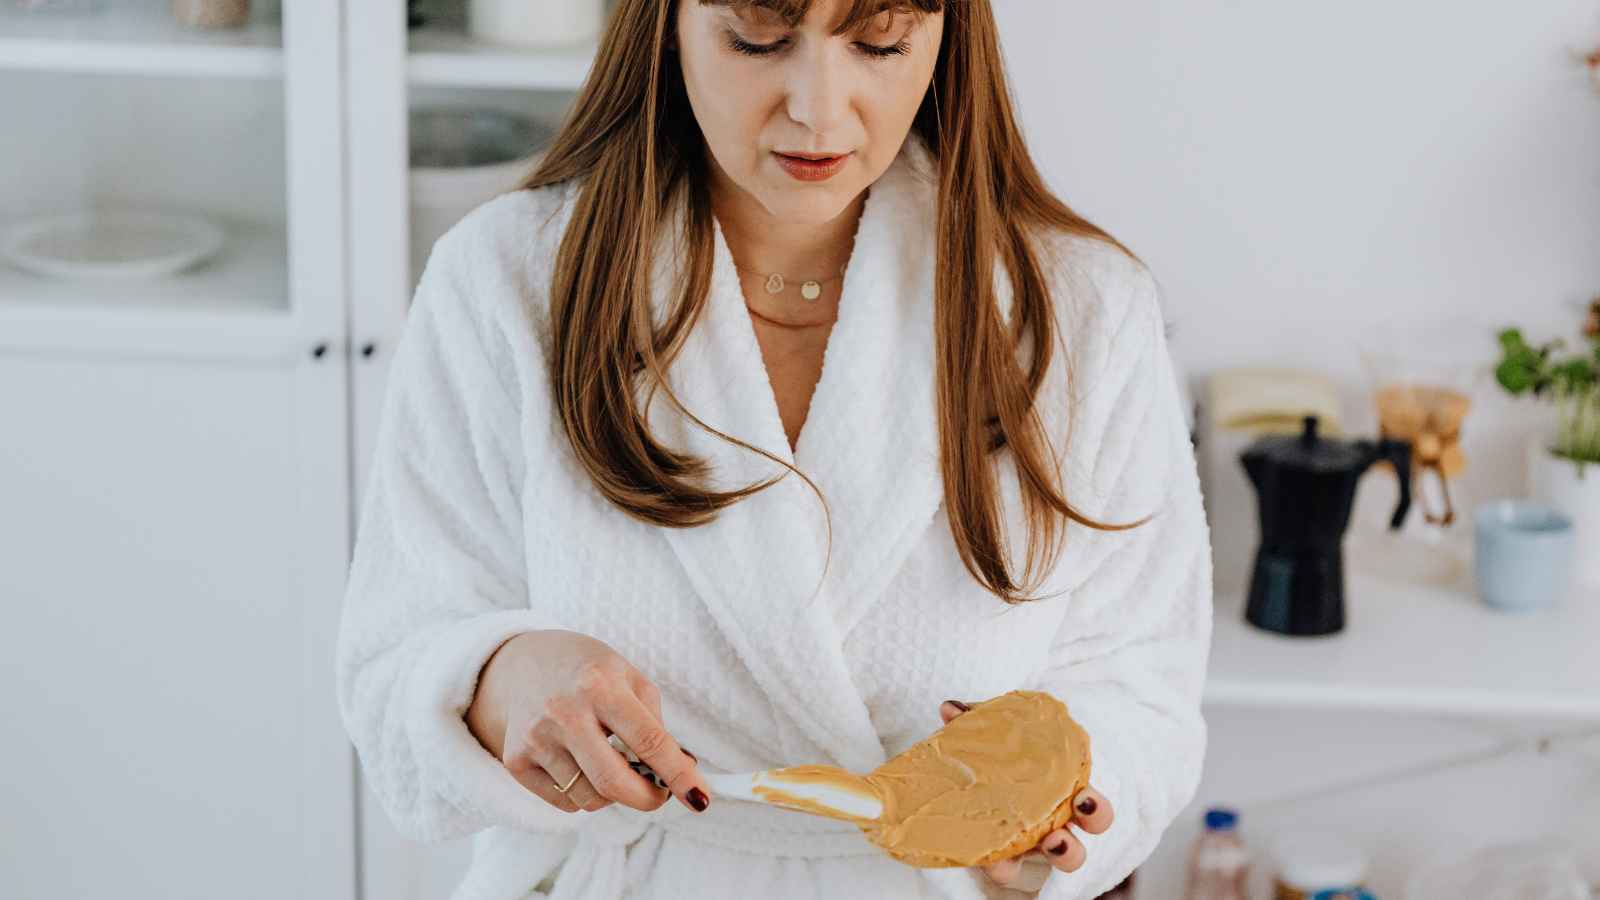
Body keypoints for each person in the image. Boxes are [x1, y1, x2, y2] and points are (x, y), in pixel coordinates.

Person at [335, 1, 1213, 897]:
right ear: (666, 24)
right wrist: (504, 682)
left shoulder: (1083, 310)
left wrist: (1047, 822)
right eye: (757, 37)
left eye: (880, 42)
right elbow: (396, 660)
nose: (820, 111)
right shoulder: (506, 280)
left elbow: (1141, 684)